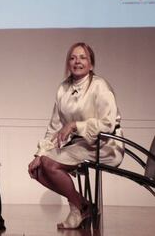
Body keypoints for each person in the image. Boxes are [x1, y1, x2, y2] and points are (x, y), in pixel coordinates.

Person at [28, 42, 124, 229]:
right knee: (37, 169)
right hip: (80, 146)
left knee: (50, 164)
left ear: (91, 64)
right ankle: (83, 205)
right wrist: (39, 154)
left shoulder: (100, 86)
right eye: (72, 58)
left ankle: (79, 209)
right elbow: (54, 126)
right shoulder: (63, 88)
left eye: (82, 57)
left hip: (105, 144)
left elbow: (108, 123)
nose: (77, 61)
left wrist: (74, 126)